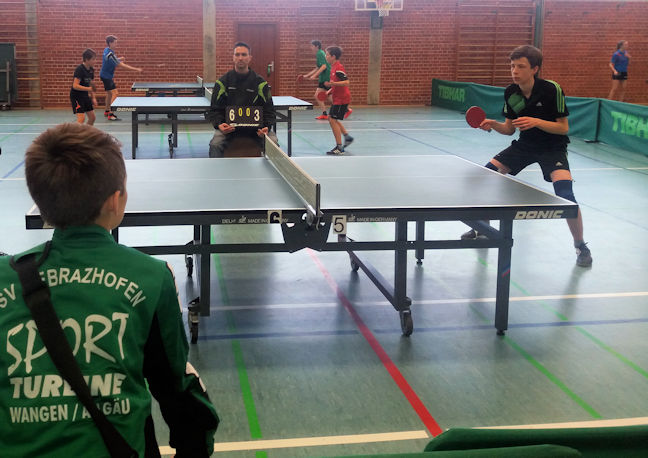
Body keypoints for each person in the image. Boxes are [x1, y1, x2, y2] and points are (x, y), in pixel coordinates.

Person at [0, 123, 219, 457]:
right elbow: (176, 389)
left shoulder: (5, 277)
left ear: (40, 204)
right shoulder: (151, 277)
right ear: (116, 201)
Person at [462, 45, 592, 267]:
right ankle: (482, 229)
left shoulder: (551, 90)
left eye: (521, 66)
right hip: (525, 146)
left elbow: (563, 128)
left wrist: (537, 122)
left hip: (553, 147)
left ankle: (581, 246)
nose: (515, 71)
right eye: (512, 66)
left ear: (535, 69)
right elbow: (509, 129)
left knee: (566, 195)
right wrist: (493, 124)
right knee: (485, 176)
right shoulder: (511, 93)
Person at [206, 42, 277, 158]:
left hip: (256, 131)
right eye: (237, 55)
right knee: (215, 144)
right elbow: (214, 110)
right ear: (233, 57)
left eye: (244, 55)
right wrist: (219, 124)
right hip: (229, 131)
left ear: (249, 58)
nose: (240, 58)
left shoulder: (260, 83)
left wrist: (266, 127)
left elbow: (269, 111)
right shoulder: (222, 82)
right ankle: (217, 169)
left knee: (273, 143)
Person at [100, 35, 142, 121]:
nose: (116, 44)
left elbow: (110, 60)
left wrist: (118, 59)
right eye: (115, 43)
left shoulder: (106, 50)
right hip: (107, 77)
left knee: (109, 93)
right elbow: (121, 65)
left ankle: (107, 111)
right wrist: (136, 69)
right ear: (110, 43)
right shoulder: (110, 54)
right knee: (115, 93)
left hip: (104, 75)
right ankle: (111, 114)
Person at [323, 46, 353, 155]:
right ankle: (347, 137)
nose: (326, 56)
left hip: (342, 99)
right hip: (337, 98)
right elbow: (336, 83)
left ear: (333, 56)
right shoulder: (333, 67)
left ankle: (339, 147)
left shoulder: (339, 67)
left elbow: (346, 82)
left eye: (327, 54)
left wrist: (333, 84)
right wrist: (330, 90)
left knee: (332, 120)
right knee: (332, 119)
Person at [301, 40, 331, 120]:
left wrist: (314, 75)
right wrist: (307, 75)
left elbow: (324, 66)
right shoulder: (320, 53)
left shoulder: (320, 53)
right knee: (327, 95)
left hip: (326, 77)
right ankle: (343, 109)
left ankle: (342, 109)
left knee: (320, 95)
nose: (310, 47)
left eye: (312, 46)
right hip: (324, 77)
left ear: (317, 46)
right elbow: (318, 67)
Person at [70, 48, 98, 125]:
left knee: (92, 118)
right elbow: (75, 86)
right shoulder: (80, 69)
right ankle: (75, 133)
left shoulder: (91, 70)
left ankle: (85, 132)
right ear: (86, 59)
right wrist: (88, 89)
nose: (95, 61)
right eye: (93, 59)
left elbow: (91, 84)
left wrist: (93, 97)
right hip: (76, 97)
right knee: (81, 119)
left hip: (85, 95)